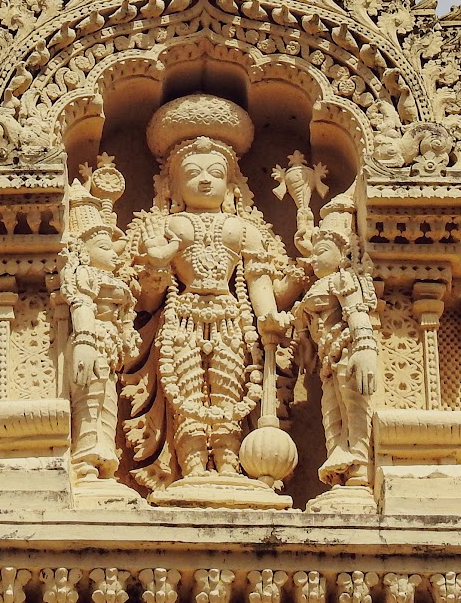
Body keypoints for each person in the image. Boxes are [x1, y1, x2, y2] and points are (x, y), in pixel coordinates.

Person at [122, 94, 301, 496]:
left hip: (231, 319)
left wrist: (271, 312)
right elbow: (146, 297)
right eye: (193, 172)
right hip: (180, 319)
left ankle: (227, 464)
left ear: (232, 182)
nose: (205, 179)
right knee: (183, 390)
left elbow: (259, 279)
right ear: (172, 183)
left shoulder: (244, 230)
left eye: (215, 172)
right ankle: (192, 466)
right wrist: (154, 266)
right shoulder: (165, 226)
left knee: (228, 387)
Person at [60, 160, 140, 486]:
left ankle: (103, 457)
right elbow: (80, 306)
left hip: (107, 347)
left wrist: (127, 335)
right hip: (90, 346)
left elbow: (125, 318)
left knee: (106, 402)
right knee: (89, 402)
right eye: (105, 247)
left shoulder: (113, 282)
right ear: (84, 249)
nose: (115, 254)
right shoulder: (83, 276)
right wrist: (85, 342)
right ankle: (86, 460)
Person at [293, 198, 379, 492]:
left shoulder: (344, 280)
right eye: (313, 254)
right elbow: (305, 329)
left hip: (347, 354)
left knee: (353, 408)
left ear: (343, 255)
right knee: (331, 410)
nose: (315, 259)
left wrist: (366, 348)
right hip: (327, 361)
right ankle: (337, 468)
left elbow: (356, 314)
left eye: (322, 252)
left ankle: (359, 465)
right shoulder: (315, 287)